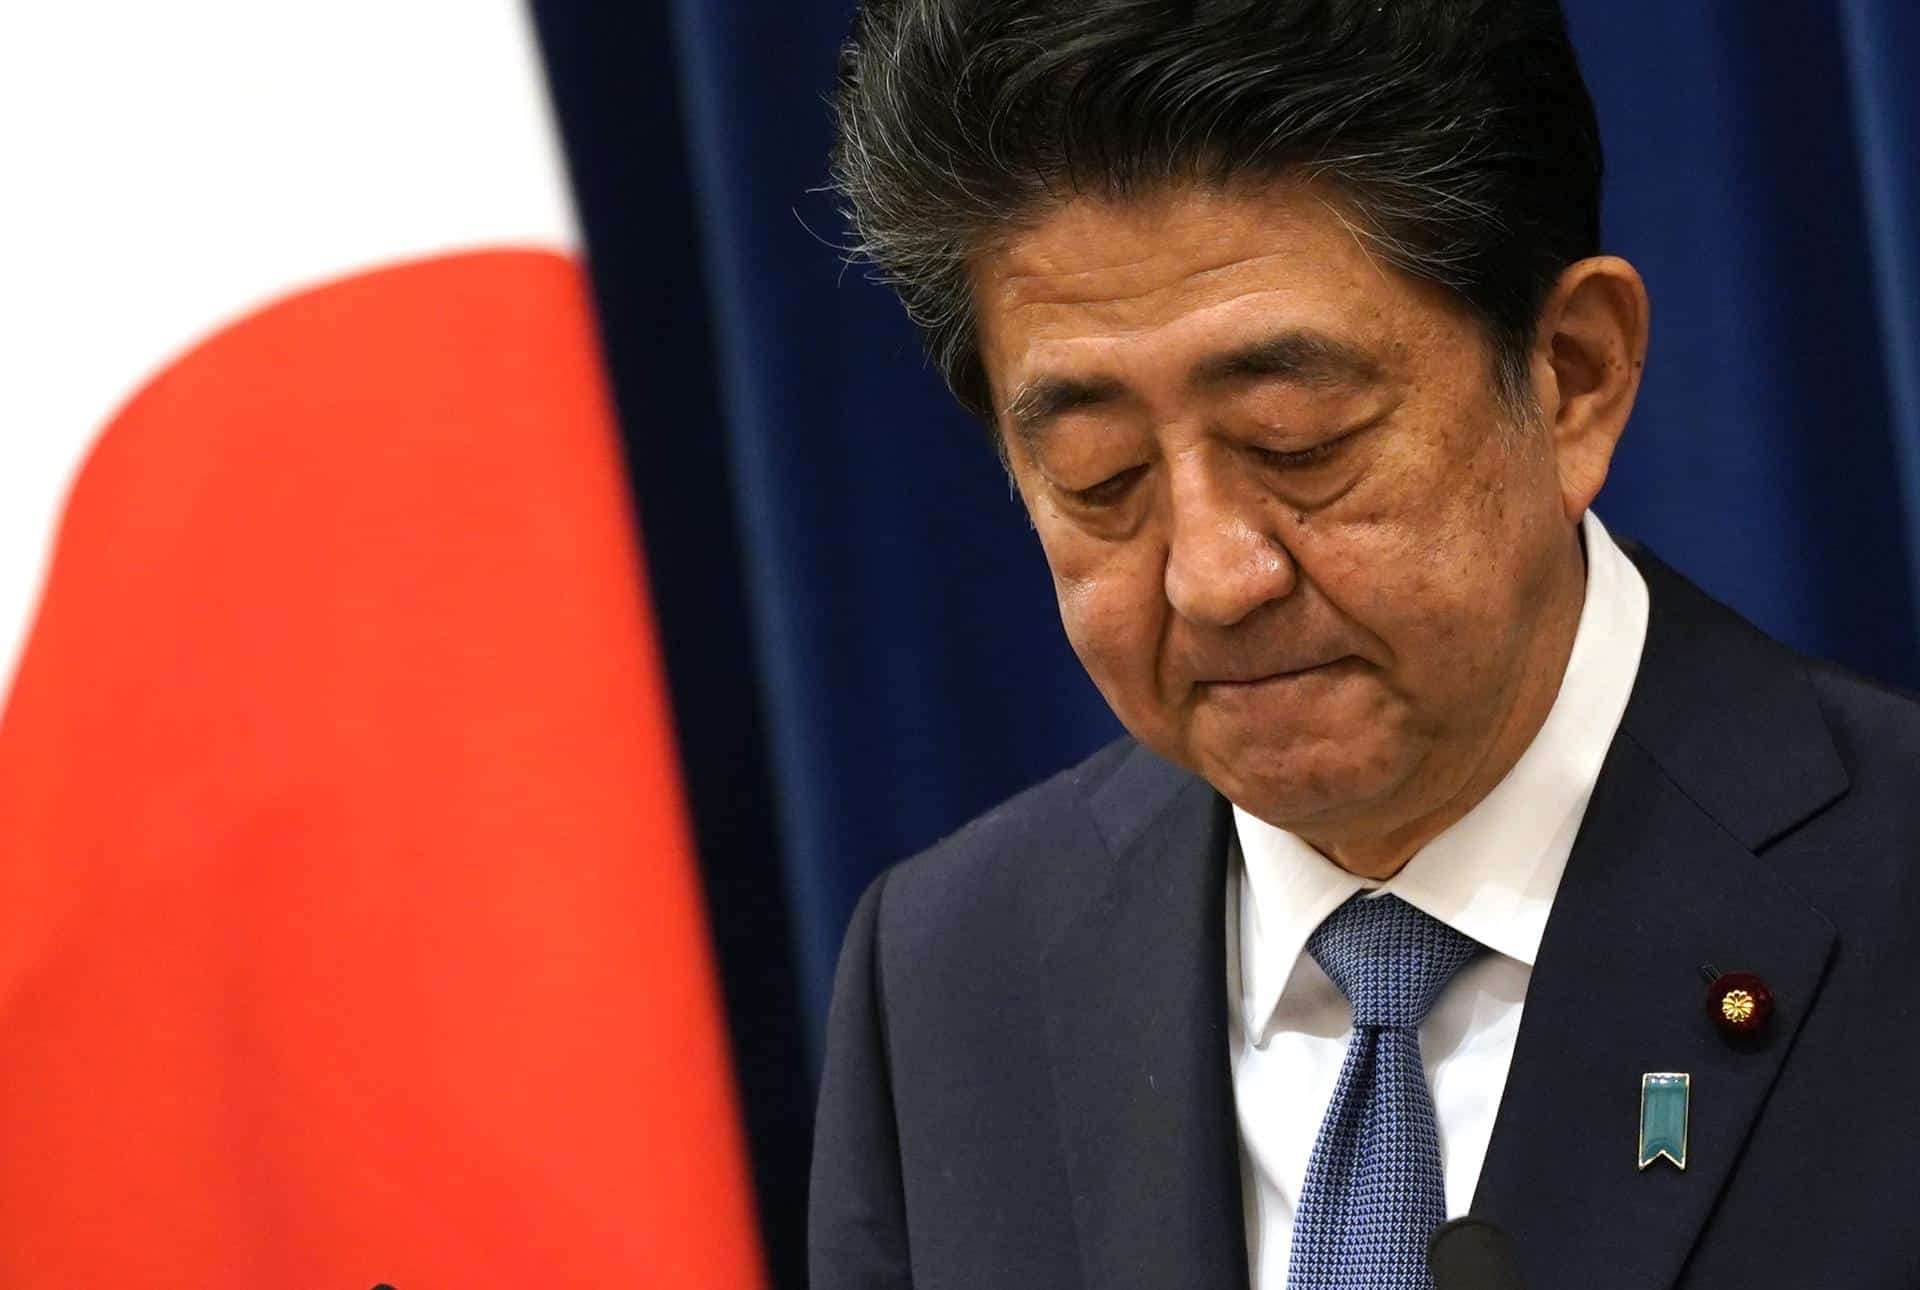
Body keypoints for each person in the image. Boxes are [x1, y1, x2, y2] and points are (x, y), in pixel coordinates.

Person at [808, 2, 1920, 1287]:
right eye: (1099, 475)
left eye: (1300, 442)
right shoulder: (948, 971)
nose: (1215, 577)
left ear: (1572, 374)